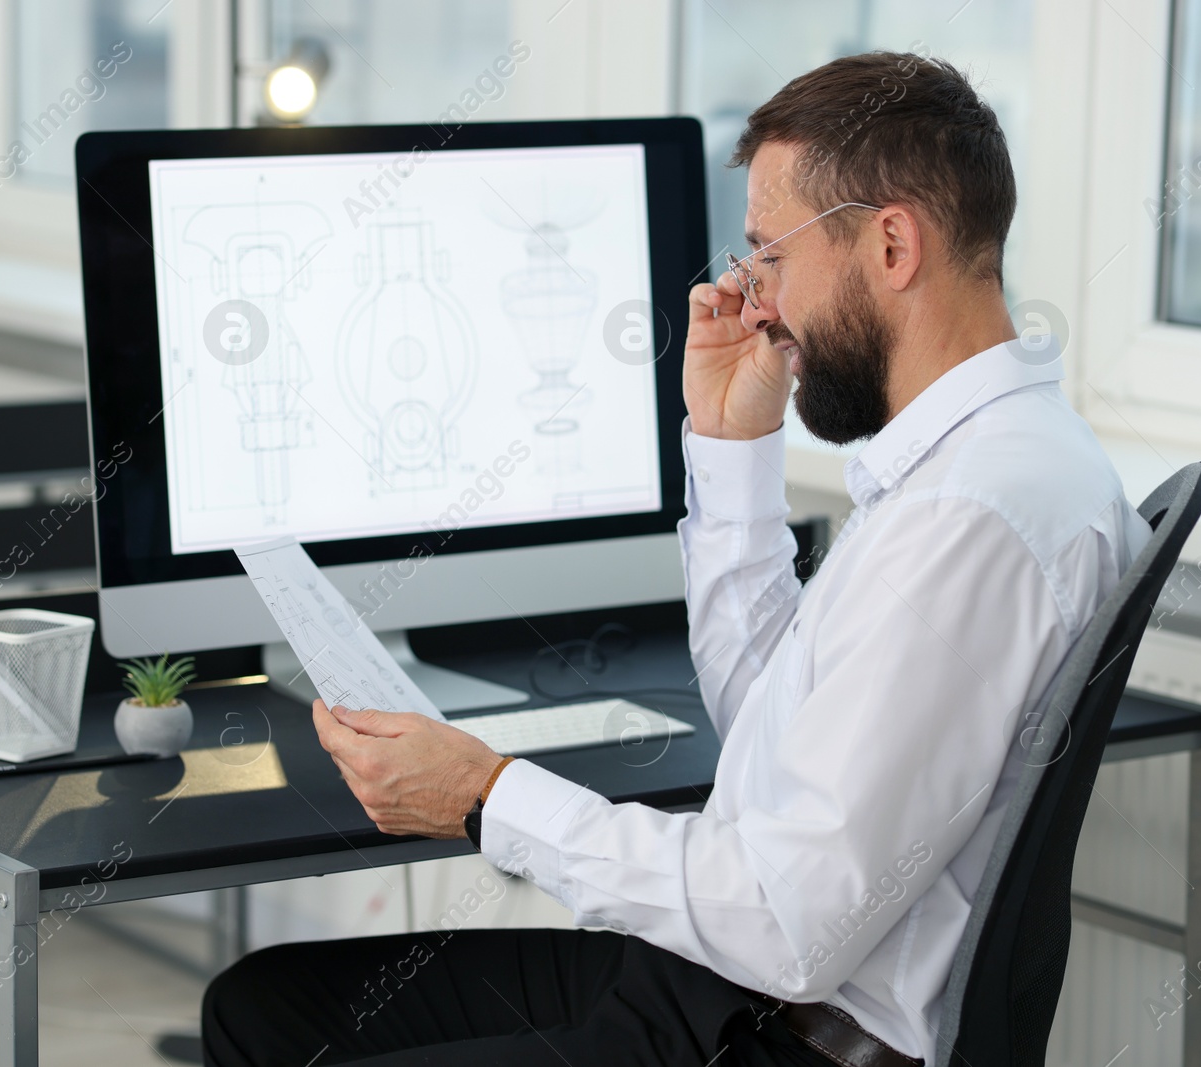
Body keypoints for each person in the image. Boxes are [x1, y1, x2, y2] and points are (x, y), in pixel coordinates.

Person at [202, 51, 1151, 1067]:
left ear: (889, 244)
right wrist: (734, 447)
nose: (758, 301)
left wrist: (487, 794)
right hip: (731, 985)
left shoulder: (969, 517)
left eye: (771, 256)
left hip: (781, 1030)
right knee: (265, 1007)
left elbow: (790, 924)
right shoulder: (982, 459)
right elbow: (772, 744)